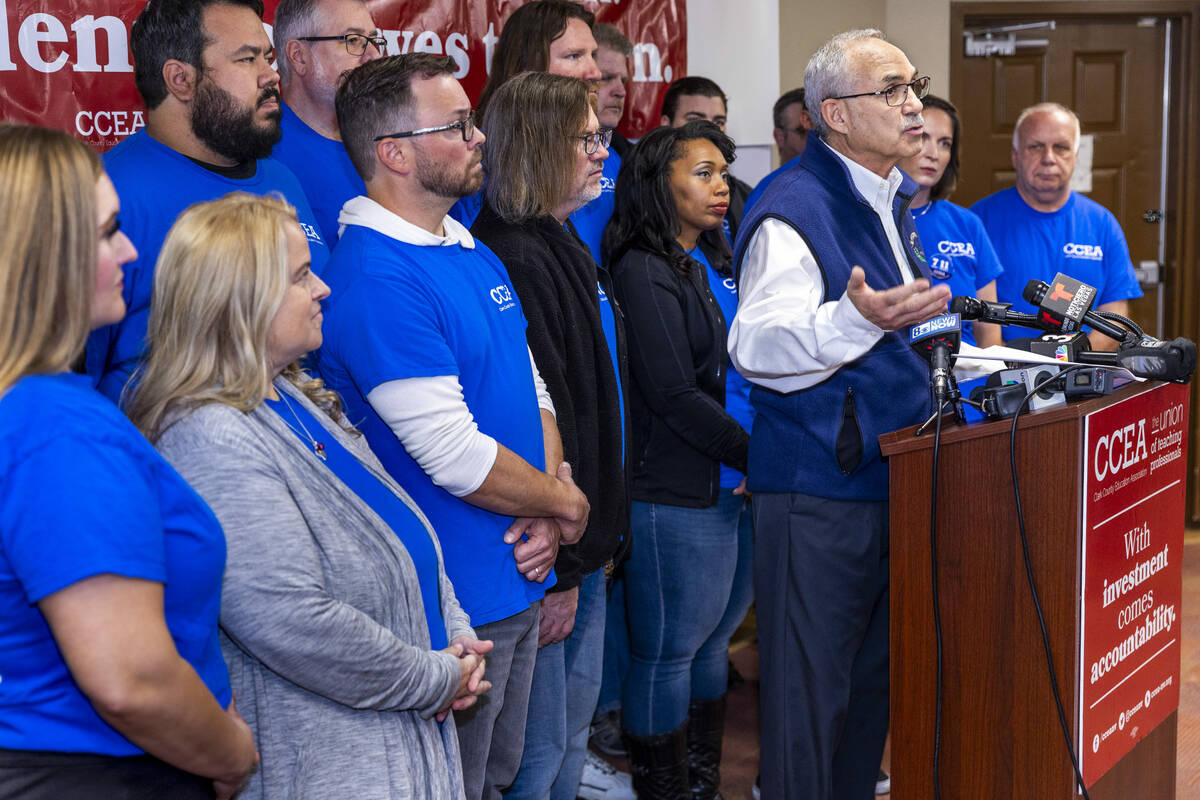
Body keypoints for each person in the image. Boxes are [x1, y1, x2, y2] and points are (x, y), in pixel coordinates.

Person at [126, 192, 485, 800]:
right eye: (301, 277)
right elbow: (289, 619)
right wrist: (435, 676)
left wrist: (456, 639)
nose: (322, 288)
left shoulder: (289, 395)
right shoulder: (209, 433)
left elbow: (402, 537)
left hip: (396, 745)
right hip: (326, 766)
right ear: (241, 299)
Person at [317, 54, 590, 800]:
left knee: (498, 780)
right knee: (457, 786)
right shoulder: (376, 277)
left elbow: (533, 387)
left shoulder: (466, 247)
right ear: (393, 153)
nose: (479, 139)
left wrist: (549, 496)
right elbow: (453, 456)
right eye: (458, 126)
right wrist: (563, 505)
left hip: (517, 573)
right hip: (454, 602)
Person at [0, 124, 258, 800]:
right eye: (108, 231)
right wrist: (230, 754)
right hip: (95, 773)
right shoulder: (54, 428)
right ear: (42, 257)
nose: (131, 249)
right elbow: (131, 679)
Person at [728, 29, 950, 800]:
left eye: (911, 85)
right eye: (889, 91)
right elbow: (755, 343)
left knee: (864, 703)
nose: (912, 104)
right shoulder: (794, 204)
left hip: (887, 483)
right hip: (818, 492)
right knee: (807, 713)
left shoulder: (887, 197)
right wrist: (859, 322)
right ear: (836, 115)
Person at [470, 72, 632, 800]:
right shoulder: (510, 252)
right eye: (587, 139)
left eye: (602, 137)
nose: (602, 153)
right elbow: (545, 415)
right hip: (556, 555)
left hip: (585, 539)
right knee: (536, 763)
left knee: (568, 740)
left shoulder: (559, 237)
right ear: (538, 146)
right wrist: (566, 568)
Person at [603, 121, 755, 800]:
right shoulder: (643, 267)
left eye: (722, 172)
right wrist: (761, 455)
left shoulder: (709, 261)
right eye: (702, 172)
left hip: (736, 487)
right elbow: (671, 394)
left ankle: (702, 785)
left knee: (712, 644)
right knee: (666, 654)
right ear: (656, 183)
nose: (720, 185)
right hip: (677, 492)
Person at [85, 0, 328, 403]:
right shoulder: (106, 198)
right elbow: (69, 383)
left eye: (267, 57)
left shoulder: (283, 178)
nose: (272, 75)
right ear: (180, 79)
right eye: (247, 59)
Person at [971, 102, 1142, 350]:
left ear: (1075, 156)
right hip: (1004, 374)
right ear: (1015, 156)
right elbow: (972, 315)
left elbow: (1117, 312)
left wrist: (1072, 363)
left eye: (1060, 147)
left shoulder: (1102, 223)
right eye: (1036, 147)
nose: (1048, 158)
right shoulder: (978, 220)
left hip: (1083, 372)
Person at [462, 1, 613, 265]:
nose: (595, 72)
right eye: (574, 56)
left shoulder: (604, 151)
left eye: (593, 55)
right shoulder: (476, 159)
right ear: (527, 63)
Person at [272, 0, 385, 245]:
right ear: (299, 57)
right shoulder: (261, 152)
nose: (374, 55)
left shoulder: (391, 142)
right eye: (353, 40)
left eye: (374, 40)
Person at [896, 94, 1004, 347]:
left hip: (966, 377)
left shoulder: (968, 224)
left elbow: (990, 336)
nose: (934, 153)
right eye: (923, 137)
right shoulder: (872, 219)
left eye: (945, 143)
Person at [659, 76, 752, 246]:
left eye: (719, 122)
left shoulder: (745, 197)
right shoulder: (647, 195)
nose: (710, 130)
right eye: (695, 119)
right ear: (666, 125)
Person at [745, 87, 814, 212]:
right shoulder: (765, 194)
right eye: (804, 131)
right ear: (780, 137)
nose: (815, 139)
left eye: (819, 130)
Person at [593, 23, 634, 158]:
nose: (621, 92)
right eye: (605, 78)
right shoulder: (545, 157)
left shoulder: (636, 159)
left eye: (623, 81)